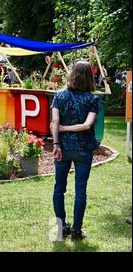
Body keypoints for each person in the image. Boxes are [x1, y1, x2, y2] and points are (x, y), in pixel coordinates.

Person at [51, 60, 100, 242]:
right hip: (83, 150)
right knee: (81, 190)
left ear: (72, 74)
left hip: (62, 149)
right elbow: (87, 125)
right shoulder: (92, 99)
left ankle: (61, 228)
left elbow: (55, 123)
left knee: (59, 188)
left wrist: (57, 142)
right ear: (89, 77)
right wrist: (67, 128)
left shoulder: (59, 96)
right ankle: (76, 231)